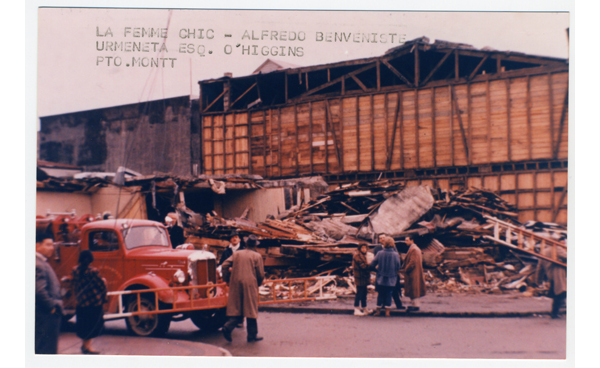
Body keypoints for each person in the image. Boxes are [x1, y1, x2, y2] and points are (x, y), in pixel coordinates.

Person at [221, 234, 265, 342]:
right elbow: (260, 274)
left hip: (235, 283)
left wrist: (227, 279)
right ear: (255, 245)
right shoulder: (257, 256)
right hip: (250, 284)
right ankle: (252, 335)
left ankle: (228, 327)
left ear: (245, 243)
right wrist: (258, 283)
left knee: (237, 308)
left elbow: (224, 265)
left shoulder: (236, 254)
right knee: (250, 309)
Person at [72, 250, 107, 354]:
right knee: (91, 326)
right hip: (93, 302)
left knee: (84, 325)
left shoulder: (75, 270)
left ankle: (84, 346)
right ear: (91, 259)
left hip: (81, 303)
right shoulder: (93, 271)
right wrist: (104, 282)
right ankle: (87, 348)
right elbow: (101, 285)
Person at [35, 233, 63, 354]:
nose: (52, 248)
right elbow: (39, 291)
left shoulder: (42, 262)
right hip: (45, 317)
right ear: (37, 246)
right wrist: (52, 307)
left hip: (47, 315)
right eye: (48, 245)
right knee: (46, 350)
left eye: (52, 245)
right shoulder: (38, 264)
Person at [370, 236, 401, 317]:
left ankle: (378, 311)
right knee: (389, 294)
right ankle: (387, 312)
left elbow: (372, 265)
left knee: (380, 294)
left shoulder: (379, 253)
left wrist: (378, 271)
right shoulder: (395, 254)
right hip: (391, 278)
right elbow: (398, 266)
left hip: (381, 277)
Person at [535, 245, 567, 319]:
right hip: (559, 275)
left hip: (550, 275)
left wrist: (538, 280)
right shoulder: (557, 249)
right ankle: (556, 312)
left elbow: (539, 268)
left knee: (557, 295)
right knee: (560, 293)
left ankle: (554, 313)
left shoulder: (543, 252)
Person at [376, 234, 405, 310]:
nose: (382, 239)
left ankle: (397, 305)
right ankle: (385, 307)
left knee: (394, 290)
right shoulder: (377, 249)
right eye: (380, 238)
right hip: (386, 274)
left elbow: (398, 261)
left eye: (383, 238)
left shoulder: (394, 249)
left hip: (390, 274)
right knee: (385, 292)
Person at [402, 236, 426, 312]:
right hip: (414, 272)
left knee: (414, 289)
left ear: (412, 240)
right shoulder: (415, 248)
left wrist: (406, 269)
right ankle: (414, 305)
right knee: (414, 289)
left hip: (413, 273)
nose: (405, 242)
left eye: (407, 240)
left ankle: (416, 305)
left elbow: (412, 262)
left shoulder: (414, 249)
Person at [352, 244, 372, 316]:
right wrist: (371, 265)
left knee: (364, 293)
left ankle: (364, 308)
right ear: (360, 248)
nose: (364, 249)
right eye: (362, 248)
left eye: (365, 248)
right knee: (359, 293)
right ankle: (356, 308)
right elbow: (363, 266)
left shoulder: (364, 255)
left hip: (364, 277)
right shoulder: (357, 256)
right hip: (359, 277)